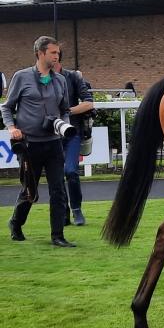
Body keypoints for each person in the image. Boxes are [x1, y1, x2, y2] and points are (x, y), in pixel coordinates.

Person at [2, 36, 75, 247]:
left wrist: (64, 126)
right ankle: (16, 223)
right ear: (40, 53)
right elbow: (7, 107)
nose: (57, 56)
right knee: (29, 191)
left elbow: (65, 110)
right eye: (53, 52)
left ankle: (58, 236)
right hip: (29, 144)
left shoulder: (60, 80)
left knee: (58, 190)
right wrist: (12, 128)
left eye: (58, 53)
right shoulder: (21, 77)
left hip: (53, 143)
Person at [54, 56, 94, 226]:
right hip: (51, 134)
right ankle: (64, 212)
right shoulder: (40, 79)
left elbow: (88, 103)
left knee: (70, 171)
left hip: (72, 133)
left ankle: (76, 209)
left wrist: (67, 112)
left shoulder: (73, 77)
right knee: (56, 176)